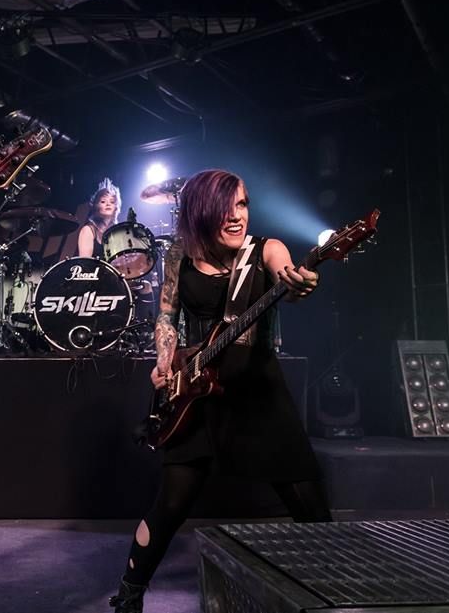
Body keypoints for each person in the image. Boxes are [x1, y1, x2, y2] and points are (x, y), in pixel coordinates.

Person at [109, 169, 332, 613]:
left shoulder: (266, 249)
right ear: (200, 211)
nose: (236, 216)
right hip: (194, 392)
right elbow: (167, 316)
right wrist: (165, 362)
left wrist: (301, 285)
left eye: (243, 204)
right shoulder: (180, 255)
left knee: (308, 503)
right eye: (226, 207)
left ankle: (337, 593)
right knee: (170, 503)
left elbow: (288, 280)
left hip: (257, 390)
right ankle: (129, 596)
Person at [77, 177, 121, 258]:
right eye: (103, 201)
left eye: (112, 202)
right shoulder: (88, 230)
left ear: (116, 207)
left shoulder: (117, 233)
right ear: (96, 206)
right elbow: (85, 262)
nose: (108, 204)